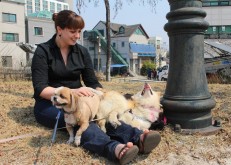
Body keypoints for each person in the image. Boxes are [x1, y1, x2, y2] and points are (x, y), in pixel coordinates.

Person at [31, 10, 161, 165]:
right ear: (59, 29)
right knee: (82, 121)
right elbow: (40, 88)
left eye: (79, 31)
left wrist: (103, 96)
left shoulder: (82, 52)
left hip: (80, 101)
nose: (77, 36)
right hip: (49, 104)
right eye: (73, 31)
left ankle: (138, 137)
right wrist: (72, 92)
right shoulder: (43, 52)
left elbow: (92, 82)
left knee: (102, 114)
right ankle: (113, 148)